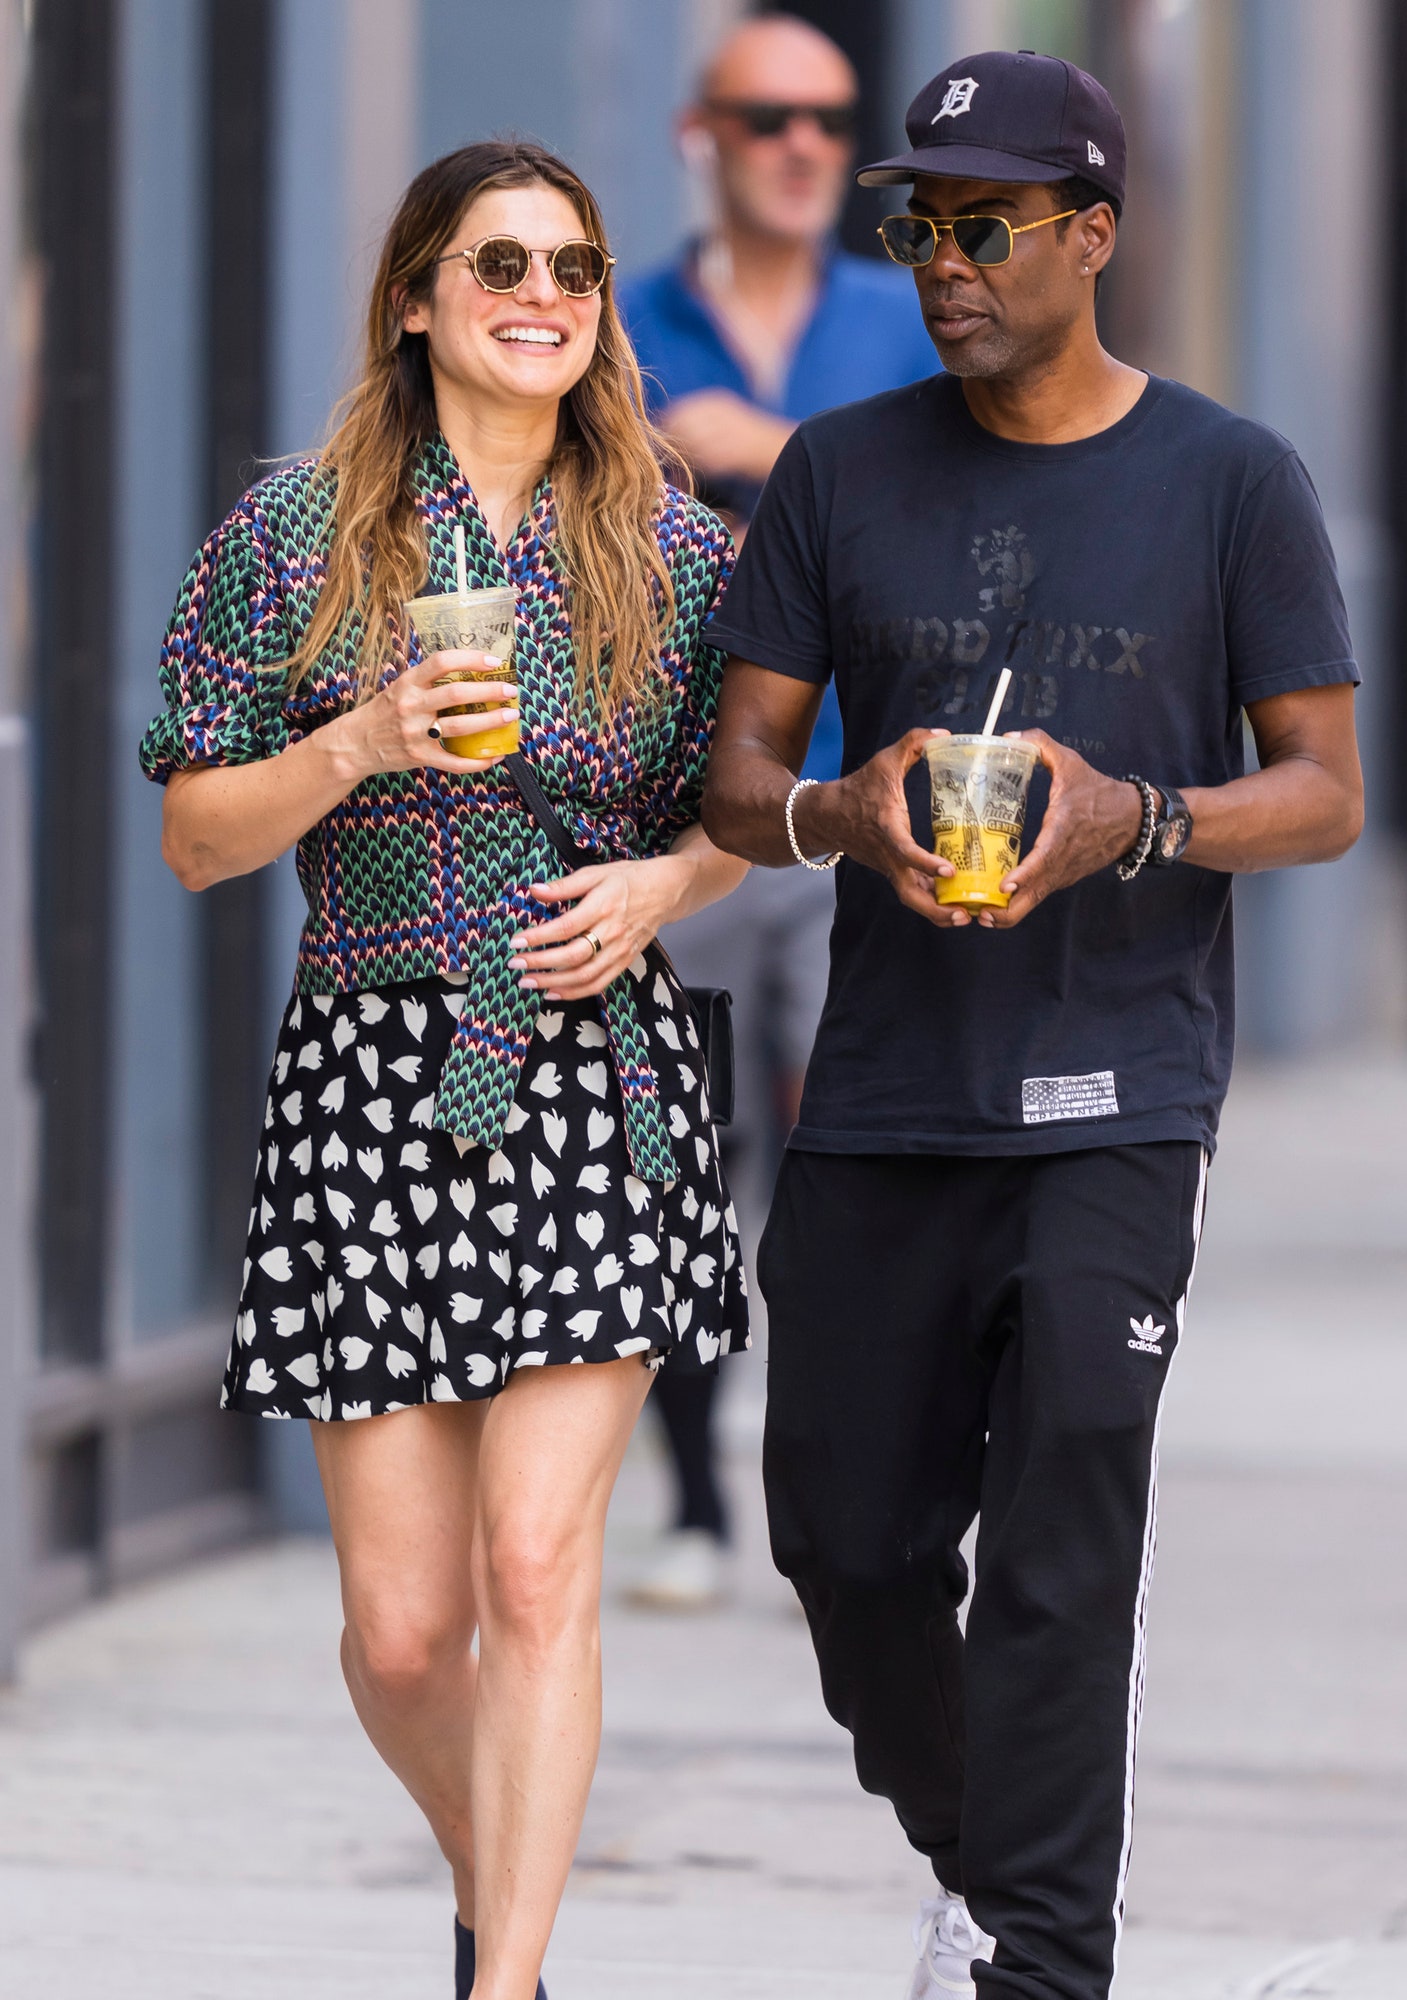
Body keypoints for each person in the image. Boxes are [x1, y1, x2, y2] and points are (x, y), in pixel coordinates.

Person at [701, 51, 1364, 2000]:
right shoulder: (839, 468)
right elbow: (741, 770)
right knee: (841, 1537)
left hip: (1117, 1086)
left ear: (1090, 233)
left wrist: (1131, 818)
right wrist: (843, 802)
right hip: (886, 1088)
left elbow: (1317, 788)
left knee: (1065, 1525)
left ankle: (1038, 1963)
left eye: (982, 224)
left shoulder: (1230, 483)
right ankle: (983, 1860)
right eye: (919, 224)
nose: (940, 260)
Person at [140, 140, 749, 2000]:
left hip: (591, 1073)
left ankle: (506, 1988)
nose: (542, 297)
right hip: (373, 1082)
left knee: (536, 1568)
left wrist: (661, 887)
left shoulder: (675, 539)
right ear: (416, 295)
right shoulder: (297, 539)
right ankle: (513, 1900)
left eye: (573, 267)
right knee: (405, 1637)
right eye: (499, 264)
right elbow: (192, 834)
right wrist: (365, 737)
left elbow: (751, 809)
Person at [620, 10, 941, 1610]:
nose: (805, 145)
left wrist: (761, 449)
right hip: (691, 803)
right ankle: (690, 1502)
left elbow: (967, 492)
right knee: (691, 1146)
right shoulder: (621, 322)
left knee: (854, 1150)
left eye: (827, 119)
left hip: (875, 796)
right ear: (705, 134)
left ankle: (854, 1475)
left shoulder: (907, 319)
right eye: (767, 119)